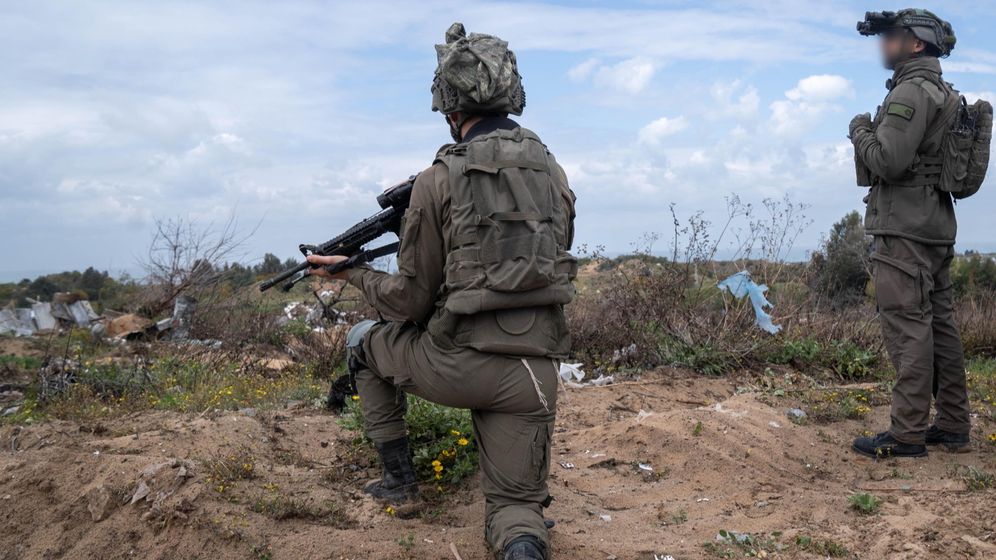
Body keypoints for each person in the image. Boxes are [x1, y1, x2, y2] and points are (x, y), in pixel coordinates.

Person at [308, 22, 577, 560]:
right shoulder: (553, 170)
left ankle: (401, 485)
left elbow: (408, 301)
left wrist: (351, 273)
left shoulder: (438, 179)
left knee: (363, 339)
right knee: (517, 513)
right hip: (533, 377)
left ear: (449, 105)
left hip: (454, 366)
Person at [849, 9, 971, 458]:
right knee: (940, 328)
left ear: (916, 43)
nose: (885, 44)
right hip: (935, 226)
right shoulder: (944, 91)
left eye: (893, 37)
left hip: (905, 230)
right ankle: (954, 426)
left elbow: (889, 161)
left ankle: (907, 435)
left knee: (908, 329)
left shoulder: (911, 91)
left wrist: (860, 130)